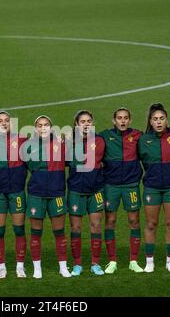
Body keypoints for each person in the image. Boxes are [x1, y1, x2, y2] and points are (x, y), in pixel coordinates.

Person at [21, 115, 71, 278]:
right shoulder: (28, 146)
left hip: (56, 193)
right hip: (36, 194)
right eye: (40, 125)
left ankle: (63, 267)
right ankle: (37, 268)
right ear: (35, 128)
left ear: (51, 127)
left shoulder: (61, 145)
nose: (43, 128)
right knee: (36, 232)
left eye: (46, 125)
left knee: (59, 231)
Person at [138, 103, 170, 273]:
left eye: (162, 119)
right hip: (151, 187)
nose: (158, 122)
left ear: (166, 120)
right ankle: (149, 262)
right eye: (155, 119)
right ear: (150, 121)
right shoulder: (143, 140)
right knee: (151, 223)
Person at [99, 108, 144, 274]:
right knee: (110, 221)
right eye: (119, 118)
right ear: (114, 120)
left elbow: (155, 139)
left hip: (131, 185)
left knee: (134, 220)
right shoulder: (104, 136)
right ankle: (112, 261)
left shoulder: (139, 136)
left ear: (130, 120)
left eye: (126, 118)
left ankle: (133, 260)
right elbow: (87, 141)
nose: (123, 121)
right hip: (111, 185)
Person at [0, 111, 28, 279]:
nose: (4, 123)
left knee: (19, 230)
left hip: (17, 191)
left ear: (12, 123)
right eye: (0, 121)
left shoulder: (23, 140)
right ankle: (1, 267)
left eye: (7, 120)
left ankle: (20, 266)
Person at [67, 110, 105, 276]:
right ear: (76, 124)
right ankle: (77, 264)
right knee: (76, 227)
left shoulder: (100, 140)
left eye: (89, 121)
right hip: (76, 190)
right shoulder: (68, 143)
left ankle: (95, 263)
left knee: (96, 226)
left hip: (95, 190)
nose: (86, 124)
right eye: (82, 121)